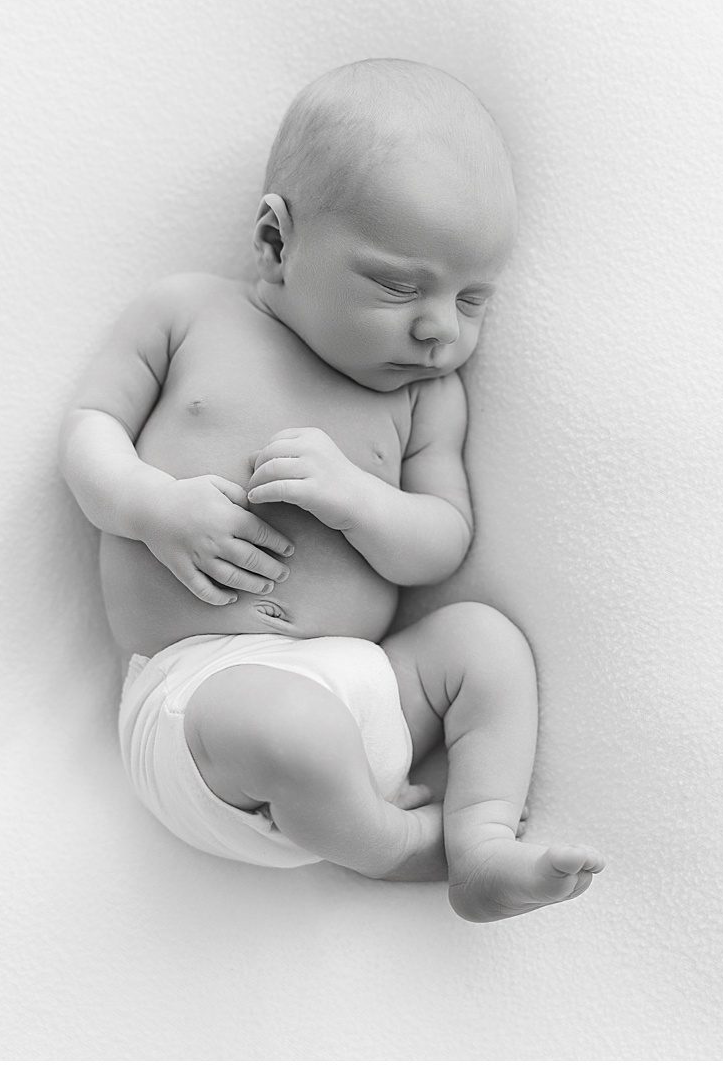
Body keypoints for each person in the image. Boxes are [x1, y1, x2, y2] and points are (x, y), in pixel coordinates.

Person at [61, 59, 603, 922]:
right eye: (398, 285)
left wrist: (355, 497)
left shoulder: (425, 397)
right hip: (202, 705)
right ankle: (391, 850)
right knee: (290, 726)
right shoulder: (187, 315)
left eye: (473, 299)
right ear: (277, 243)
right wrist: (151, 509)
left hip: (369, 692)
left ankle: (485, 840)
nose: (439, 328)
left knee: (486, 642)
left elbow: (440, 540)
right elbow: (89, 436)